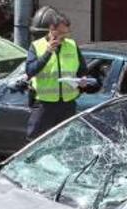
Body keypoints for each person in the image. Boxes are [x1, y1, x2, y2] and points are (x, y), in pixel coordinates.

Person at [25, 8, 94, 141]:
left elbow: (82, 70)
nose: (65, 36)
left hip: (68, 104)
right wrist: (47, 53)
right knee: (37, 141)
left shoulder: (72, 45)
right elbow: (30, 71)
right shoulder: (37, 46)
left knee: (66, 140)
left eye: (67, 33)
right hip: (45, 104)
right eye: (61, 33)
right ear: (52, 29)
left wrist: (83, 79)